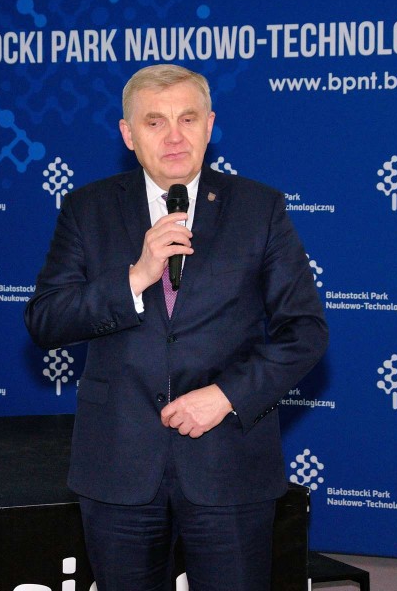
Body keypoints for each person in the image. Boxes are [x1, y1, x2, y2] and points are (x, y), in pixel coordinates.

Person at [24, 64, 328, 591]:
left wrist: (226, 396)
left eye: (187, 119)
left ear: (209, 126)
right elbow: (45, 320)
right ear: (128, 134)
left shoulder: (259, 209)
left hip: (228, 462)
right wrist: (135, 277)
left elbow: (304, 331)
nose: (174, 136)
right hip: (119, 467)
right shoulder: (87, 209)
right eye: (154, 122)